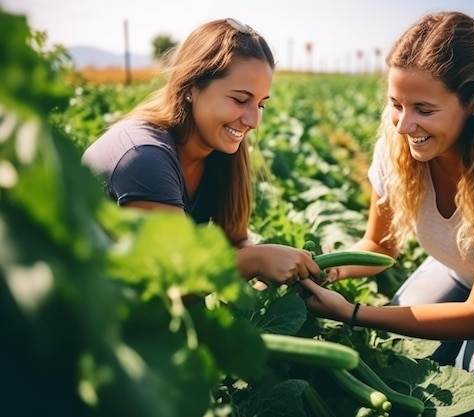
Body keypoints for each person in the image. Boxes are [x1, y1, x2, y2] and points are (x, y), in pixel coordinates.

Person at [299, 10, 474, 392]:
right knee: (401, 354)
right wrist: (322, 273)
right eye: (396, 104)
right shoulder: (396, 148)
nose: (403, 125)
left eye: (424, 109)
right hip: (456, 268)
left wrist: (352, 313)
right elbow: (380, 245)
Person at [82, 18, 320, 286]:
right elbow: (171, 283)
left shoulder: (217, 151)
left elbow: (236, 240)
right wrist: (257, 261)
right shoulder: (143, 157)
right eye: (240, 100)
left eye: (261, 104)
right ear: (191, 89)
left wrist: (284, 272)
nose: (253, 121)